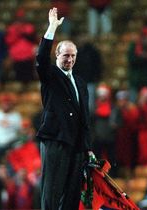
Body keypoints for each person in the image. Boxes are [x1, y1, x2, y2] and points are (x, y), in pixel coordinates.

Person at [36, 8, 92, 210]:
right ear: (57, 55)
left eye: (73, 56)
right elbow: (41, 58)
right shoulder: (50, 75)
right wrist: (52, 27)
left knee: (72, 195)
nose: (69, 60)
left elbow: (84, 117)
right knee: (51, 193)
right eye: (66, 55)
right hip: (55, 140)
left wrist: (88, 147)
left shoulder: (80, 82)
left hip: (77, 145)